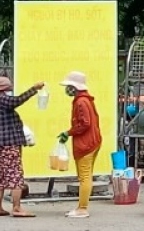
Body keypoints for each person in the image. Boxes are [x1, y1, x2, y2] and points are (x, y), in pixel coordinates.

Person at [0, 76, 44, 218]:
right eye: (8, 89)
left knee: (1, 177)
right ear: (2, 90)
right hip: (9, 145)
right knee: (16, 176)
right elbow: (18, 100)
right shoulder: (2, 100)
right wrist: (34, 89)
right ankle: (17, 208)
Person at [57, 71, 101, 219]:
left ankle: (82, 209)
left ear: (74, 87)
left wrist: (68, 132)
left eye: (69, 86)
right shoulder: (86, 100)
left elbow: (85, 123)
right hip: (93, 141)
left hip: (86, 144)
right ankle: (82, 207)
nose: (67, 89)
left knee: (84, 177)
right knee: (87, 176)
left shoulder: (81, 102)